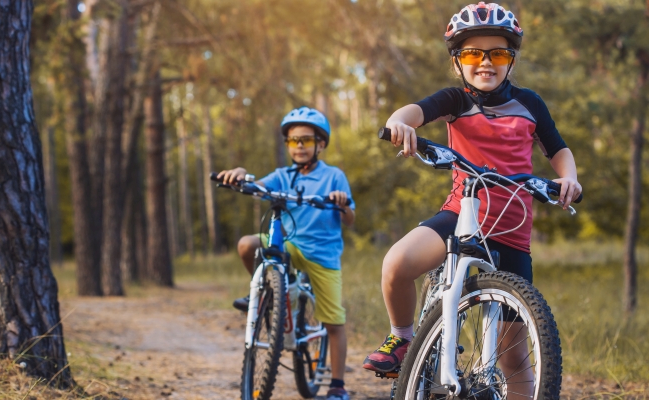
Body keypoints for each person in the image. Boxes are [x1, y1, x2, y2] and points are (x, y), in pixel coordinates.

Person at [361, 3, 582, 399]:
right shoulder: (455, 100)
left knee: (514, 357)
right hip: (461, 216)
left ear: (511, 60)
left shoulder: (530, 103)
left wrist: (569, 177)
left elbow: (558, 150)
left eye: (497, 53)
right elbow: (413, 112)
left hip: (512, 233)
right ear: (457, 61)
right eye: (472, 54)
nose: (485, 62)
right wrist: (399, 123)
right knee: (397, 263)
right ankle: (403, 338)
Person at [218, 107, 356, 400]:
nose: (300, 146)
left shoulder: (334, 176)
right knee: (247, 244)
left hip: (322, 253)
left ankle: (337, 385)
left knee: (333, 320)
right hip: (289, 243)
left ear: (321, 143)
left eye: (306, 139)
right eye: (293, 141)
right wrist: (241, 175)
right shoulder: (283, 175)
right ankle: (265, 291)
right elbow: (257, 186)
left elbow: (350, 218)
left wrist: (342, 202)